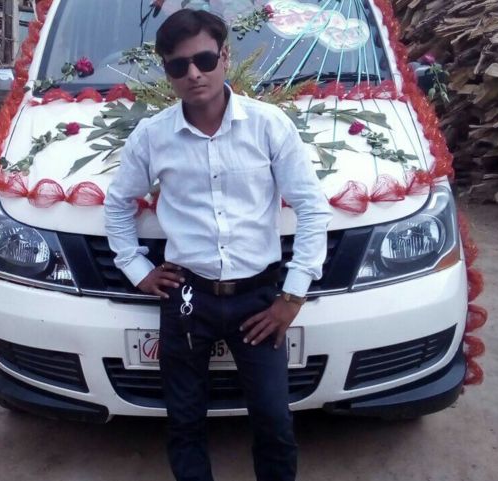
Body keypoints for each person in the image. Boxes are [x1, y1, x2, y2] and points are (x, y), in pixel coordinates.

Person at [104, 8, 332, 481]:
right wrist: (136, 268)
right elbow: (118, 203)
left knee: (273, 420)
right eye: (178, 65)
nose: (193, 74)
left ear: (225, 56)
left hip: (259, 299)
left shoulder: (268, 125)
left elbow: (312, 207)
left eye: (204, 60)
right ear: (167, 71)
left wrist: (292, 297)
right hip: (187, 297)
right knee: (184, 421)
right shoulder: (152, 137)